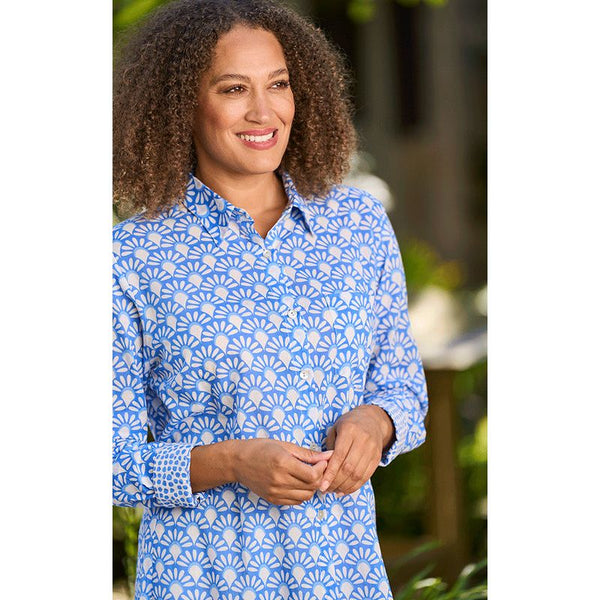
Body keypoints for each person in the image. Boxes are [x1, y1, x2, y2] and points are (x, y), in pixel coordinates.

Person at [112, 1, 428, 598]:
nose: (264, 111)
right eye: (234, 89)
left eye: (278, 84)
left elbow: (402, 384)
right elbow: (108, 460)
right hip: (202, 580)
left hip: (343, 577)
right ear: (181, 104)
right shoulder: (130, 258)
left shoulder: (357, 226)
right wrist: (234, 463)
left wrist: (376, 421)